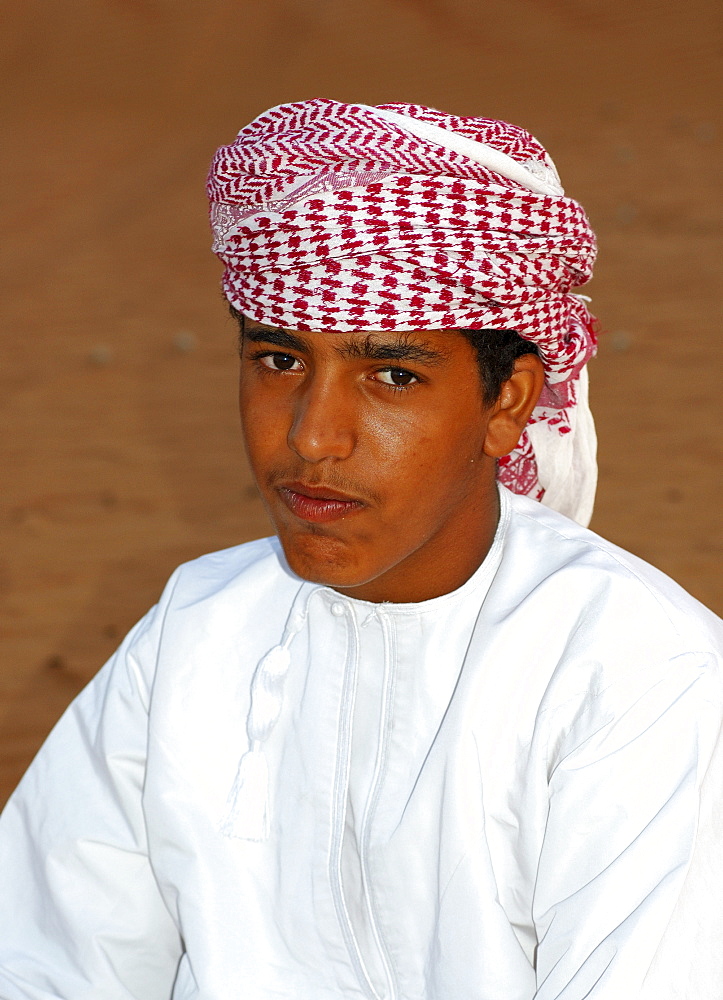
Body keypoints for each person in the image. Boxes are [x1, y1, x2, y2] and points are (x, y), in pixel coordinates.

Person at [0, 99, 720, 1000]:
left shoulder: (637, 674)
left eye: (391, 375)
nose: (312, 437)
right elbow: (43, 961)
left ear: (506, 405)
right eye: (278, 361)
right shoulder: (199, 630)